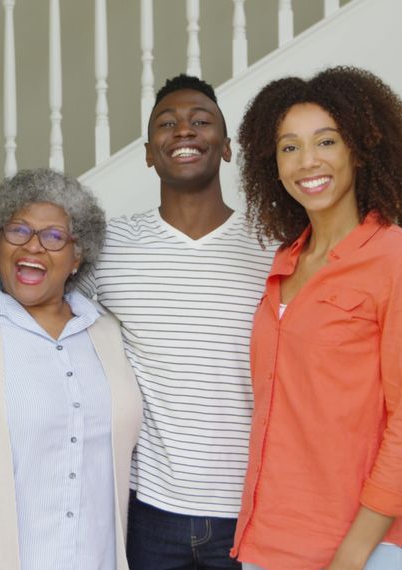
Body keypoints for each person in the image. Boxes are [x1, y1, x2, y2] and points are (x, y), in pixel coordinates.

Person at [230, 67, 402, 570]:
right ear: (274, 165)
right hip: (265, 541)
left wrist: (354, 553)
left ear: (359, 149)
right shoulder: (284, 262)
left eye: (326, 141)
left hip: (359, 547)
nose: (308, 161)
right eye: (289, 147)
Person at [78, 75, 275, 569]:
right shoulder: (108, 246)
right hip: (148, 508)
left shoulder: (274, 245)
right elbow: (51, 326)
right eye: (167, 123)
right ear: (148, 153)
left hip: (254, 505)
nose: (183, 130)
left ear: (227, 148)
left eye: (200, 121)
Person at [0, 168, 142, 569]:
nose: (33, 247)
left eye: (54, 236)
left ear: (77, 256)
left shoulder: (106, 334)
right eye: (18, 231)